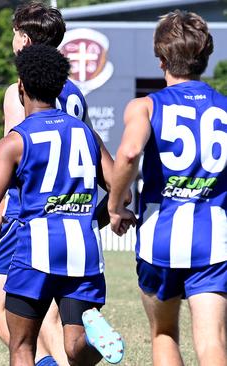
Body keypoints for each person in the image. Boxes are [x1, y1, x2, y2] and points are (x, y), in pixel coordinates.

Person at [0, 3, 114, 365]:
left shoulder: (19, 91)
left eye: (14, 31)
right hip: (74, 221)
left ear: (25, 38)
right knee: (56, 317)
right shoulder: (73, 92)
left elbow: (17, 153)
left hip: (26, 217)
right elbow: (62, 147)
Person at [0, 44, 123, 366]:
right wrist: (97, 218)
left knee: (22, 346)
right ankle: (94, 338)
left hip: (36, 250)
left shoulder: (14, 142)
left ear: (21, 87)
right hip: (83, 248)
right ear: (60, 88)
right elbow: (120, 192)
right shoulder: (86, 133)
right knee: (74, 349)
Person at [109, 10, 227, 366]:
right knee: (212, 343)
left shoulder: (145, 106)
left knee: (164, 334)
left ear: (161, 59)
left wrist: (115, 206)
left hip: (161, 237)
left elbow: (129, 152)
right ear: (206, 57)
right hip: (214, 238)